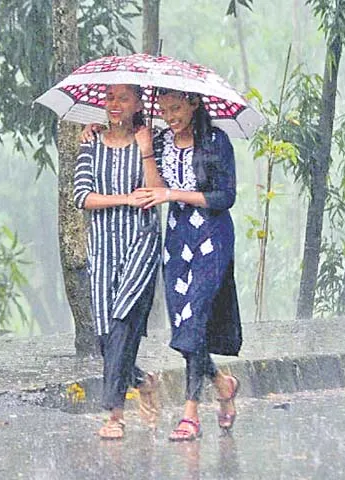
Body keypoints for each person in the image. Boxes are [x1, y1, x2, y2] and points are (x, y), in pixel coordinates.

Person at [136, 88, 242, 441]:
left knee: (196, 318)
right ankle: (222, 383)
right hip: (177, 238)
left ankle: (190, 412)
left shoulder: (216, 141)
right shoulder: (162, 140)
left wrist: (174, 194)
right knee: (183, 325)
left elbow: (225, 197)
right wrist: (148, 150)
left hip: (212, 236)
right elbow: (154, 191)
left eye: (177, 108)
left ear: (195, 103)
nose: (170, 116)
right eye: (164, 110)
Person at [73, 84, 162, 440]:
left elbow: (156, 193)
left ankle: (115, 414)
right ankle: (142, 380)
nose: (115, 104)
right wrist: (125, 198)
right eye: (110, 97)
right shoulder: (90, 141)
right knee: (104, 334)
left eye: (123, 98)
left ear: (138, 103)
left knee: (123, 319)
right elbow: (82, 196)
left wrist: (146, 152)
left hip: (141, 241)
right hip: (103, 244)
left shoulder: (151, 139)